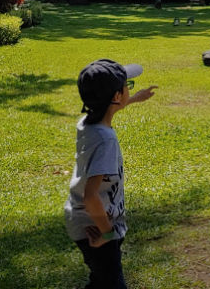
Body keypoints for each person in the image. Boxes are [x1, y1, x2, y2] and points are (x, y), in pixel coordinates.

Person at [64, 59, 158, 289]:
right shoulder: (106, 141)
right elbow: (91, 196)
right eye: (129, 86)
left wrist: (135, 98)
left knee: (101, 279)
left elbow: (110, 106)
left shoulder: (87, 121)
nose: (130, 89)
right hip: (96, 227)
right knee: (112, 282)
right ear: (117, 96)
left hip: (86, 219)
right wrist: (107, 234)